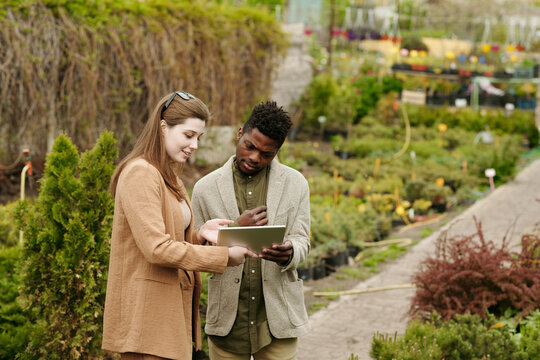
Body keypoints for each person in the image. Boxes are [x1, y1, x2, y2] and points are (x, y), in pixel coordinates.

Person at [102, 91, 256, 360]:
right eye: (188, 135)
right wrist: (222, 256)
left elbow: (168, 239)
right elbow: (156, 249)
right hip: (147, 320)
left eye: (199, 137)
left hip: (167, 315)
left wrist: (200, 234)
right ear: (163, 127)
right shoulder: (141, 173)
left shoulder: (167, 176)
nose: (195, 145)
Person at [191, 101, 311, 360]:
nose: (255, 157)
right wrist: (236, 229)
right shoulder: (204, 188)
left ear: (277, 151)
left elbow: (302, 240)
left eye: (267, 154)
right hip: (228, 325)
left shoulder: (296, 184)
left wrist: (290, 253)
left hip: (277, 322)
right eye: (250, 146)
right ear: (239, 134)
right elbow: (195, 251)